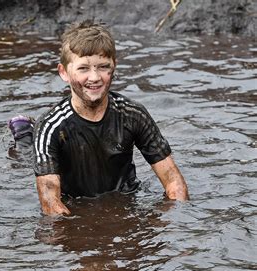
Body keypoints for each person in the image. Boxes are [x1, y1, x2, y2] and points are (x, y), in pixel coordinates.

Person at [30, 20, 189, 216]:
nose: (95, 77)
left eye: (103, 67)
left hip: (127, 197)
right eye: (83, 69)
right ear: (64, 72)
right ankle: (24, 134)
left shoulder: (133, 114)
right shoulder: (50, 126)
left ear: (114, 67)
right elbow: (50, 204)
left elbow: (174, 182)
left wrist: (175, 224)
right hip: (78, 203)